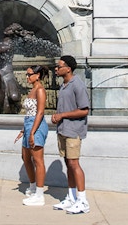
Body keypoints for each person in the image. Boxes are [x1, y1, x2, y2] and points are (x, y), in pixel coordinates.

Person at [51, 55, 90, 214]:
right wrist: (58, 116)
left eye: (59, 66)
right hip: (63, 129)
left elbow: (84, 110)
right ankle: (72, 196)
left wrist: (62, 115)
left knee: (74, 164)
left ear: (68, 68)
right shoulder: (64, 85)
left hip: (73, 130)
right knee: (68, 164)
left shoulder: (77, 85)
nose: (56, 69)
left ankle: (83, 200)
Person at [14, 64, 49, 206]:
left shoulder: (40, 90)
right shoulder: (32, 90)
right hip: (29, 124)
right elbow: (30, 113)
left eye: (29, 74)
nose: (27, 77)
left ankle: (39, 195)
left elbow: (40, 112)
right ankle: (33, 186)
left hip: (37, 125)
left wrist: (33, 132)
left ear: (38, 75)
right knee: (25, 157)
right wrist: (24, 130)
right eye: (26, 74)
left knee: (38, 160)